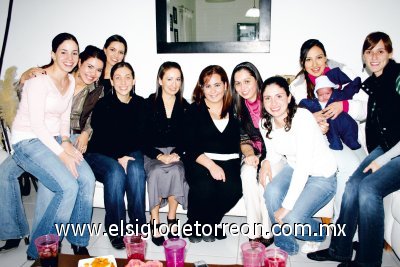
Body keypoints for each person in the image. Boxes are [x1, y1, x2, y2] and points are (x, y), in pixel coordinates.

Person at [0, 45, 106, 254]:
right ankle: (13, 232)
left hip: (68, 137)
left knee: (78, 180)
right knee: (4, 174)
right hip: (36, 137)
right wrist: (22, 78)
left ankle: (75, 239)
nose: (92, 73)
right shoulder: (50, 75)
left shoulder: (98, 90)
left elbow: (95, 119)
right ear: (79, 62)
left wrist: (85, 133)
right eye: (89, 66)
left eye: (98, 70)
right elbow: (16, 96)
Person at [307, 32, 400, 267]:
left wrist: (381, 159)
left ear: (390, 53)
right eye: (369, 52)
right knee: (353, 186)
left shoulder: (397, 78)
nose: (374, 56)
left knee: (368, 188)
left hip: (394, 151)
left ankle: (368, 262)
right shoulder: (373, 83)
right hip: (385, 148)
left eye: (380, 51)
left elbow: (358, 109)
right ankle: (340, 249)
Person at [289, 39, 367, 221]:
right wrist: (311, 118)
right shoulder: (297, 88)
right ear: (302, 63)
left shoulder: (343, 76)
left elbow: (367, 108)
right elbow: (292, 120)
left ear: (326, 58)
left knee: (364, 170)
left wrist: (345, 105)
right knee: (350, 170)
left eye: (319, 57)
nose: (315, 64)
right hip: (322, 142)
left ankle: (351, 228)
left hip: (349, 135)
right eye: (308, 59)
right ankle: (343, 229)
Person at [260, 76, 337, 255]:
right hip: (294, 167)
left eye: (279, 96)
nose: (273, 103)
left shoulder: (302, 118)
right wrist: (265, 162)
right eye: (267, 98)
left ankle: (319, 233)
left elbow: (304, 165)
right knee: (271, 191)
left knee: (292, 219)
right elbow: (273, 152)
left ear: (288, 97)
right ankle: (286, 243)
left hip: (321, 174)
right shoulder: (265, 123)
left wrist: (286, 207)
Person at [85, 62, 146, 249]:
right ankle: (116, 229)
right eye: (117, 77)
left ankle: (137, 227)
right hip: (100, 154)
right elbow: (101, 139)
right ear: (111, 81)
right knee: (116, 172)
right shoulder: (103, 105)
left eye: (128, 76)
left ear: (134, 80)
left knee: (136, 170)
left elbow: (143, 136)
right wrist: (118, 156)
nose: (123, 82)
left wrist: (126, 155)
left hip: (130, 151)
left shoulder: (141, 104)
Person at [183, 65, 242, 243]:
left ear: (225, 85)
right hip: (200, 159)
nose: (213, 90)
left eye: (217, 85)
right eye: (207, 86)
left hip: (230, 160)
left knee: (233, 190)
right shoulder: (194, 110)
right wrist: (211, 165)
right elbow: (190, 146)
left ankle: (209, 222)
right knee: (205, 186)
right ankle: (194, 223)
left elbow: (245, 138)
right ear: (201, 88)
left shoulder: (236, 109)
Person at [143, 61, 189, 246]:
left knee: (177, 171)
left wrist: (176, 153)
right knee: (155, 172)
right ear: (160, 80)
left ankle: (171, 218)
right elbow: (142, 137)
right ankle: (155, 221)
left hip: (176, 153)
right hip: (152, 153)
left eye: (178, 79)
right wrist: (159, 155)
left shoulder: (184, 105)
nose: (174, 83)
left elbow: (188, 137)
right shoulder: (148, 103)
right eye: (169, 79)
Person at [230, 62, 273, 247]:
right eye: (238, 83)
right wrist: (249, 155)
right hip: (252, 152)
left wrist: (266, 160)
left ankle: (267, 231)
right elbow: (242, 137)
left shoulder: (270, 100)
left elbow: (280, 136)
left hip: (275, 154)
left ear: (256, 79)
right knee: (247, 174)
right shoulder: (237, 107)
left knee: (265, 180)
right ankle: (254, 231)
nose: (243, 87)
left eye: (247, 81)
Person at [299, 71, 362, 150]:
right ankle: (336, 144)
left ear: (333, 91)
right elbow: (303, 104)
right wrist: (301, 105)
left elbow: (348, 91)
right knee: (330, 129)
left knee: (350, 127)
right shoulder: (314, 103)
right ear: (316, 95)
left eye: (327, 93)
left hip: (344, 120)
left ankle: (352, 142)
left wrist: (355, 83)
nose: (324, 96)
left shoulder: (338, 96)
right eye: (320, 95)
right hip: (329, 124)